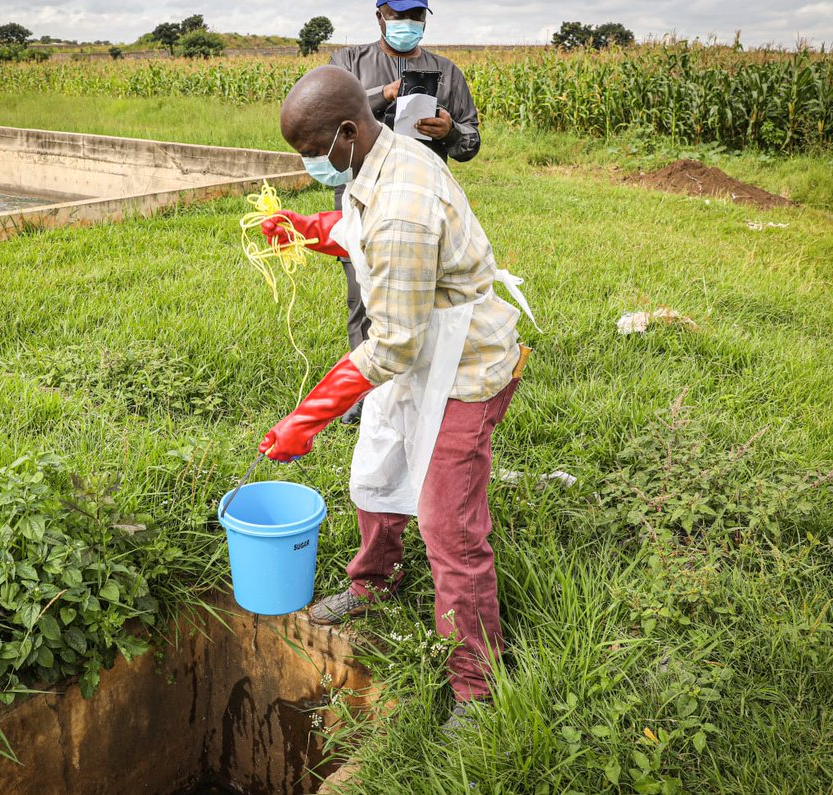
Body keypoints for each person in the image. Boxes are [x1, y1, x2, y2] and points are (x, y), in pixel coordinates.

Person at [258, 66, 537, 731]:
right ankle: (372, 581)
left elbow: (394, 349)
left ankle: (476, 687)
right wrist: (309, 229)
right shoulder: (375, 159)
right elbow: (360, 227)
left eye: (311, 149)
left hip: (461, 364)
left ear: (348, 132)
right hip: (420, 342)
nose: (308, 163)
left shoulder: (405, 204)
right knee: (379, 466)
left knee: (450, 526)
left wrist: (310, 415)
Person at [329, 0, 482, 425]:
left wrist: (449, 131)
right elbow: (333, 115)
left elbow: (471, 140)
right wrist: (383, 96)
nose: (407, 26)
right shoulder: (348, 62)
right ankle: (367, 395)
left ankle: (425, 387)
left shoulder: (447, 72)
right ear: (380, 17)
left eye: (415, 17)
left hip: (422, 202)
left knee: (429, 297)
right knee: (365, 295)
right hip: (364, 196)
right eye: (398, 17)